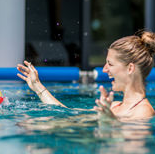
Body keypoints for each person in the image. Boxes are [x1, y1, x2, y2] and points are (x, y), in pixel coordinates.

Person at [17, 31, 155, 122]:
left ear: (130, 68)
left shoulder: (144, 111)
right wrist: (38, 87)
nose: (105, 69)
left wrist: (109, 124)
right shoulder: (113, 106)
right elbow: (67, 116)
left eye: (110, 64)